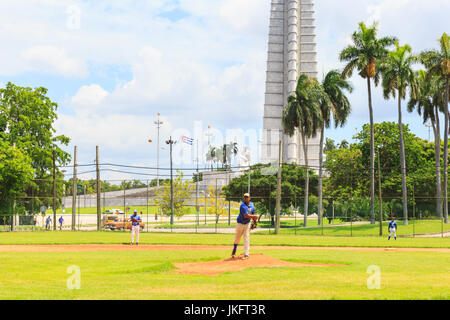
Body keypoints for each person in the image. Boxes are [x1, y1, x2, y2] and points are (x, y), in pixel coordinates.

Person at [231, 193, 258, 260]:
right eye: (245, 197)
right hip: (240, 224)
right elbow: (245, 215)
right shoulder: (242, 206)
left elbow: (253, 213)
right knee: (237, 239)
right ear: (244, 198)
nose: (246, 198)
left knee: (246, 238)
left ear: (249, 198)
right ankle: (234, 249)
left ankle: (246, 254)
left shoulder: (252, 205)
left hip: (247, 224)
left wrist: (255, 221)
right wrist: (254, 217)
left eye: (247, 197)